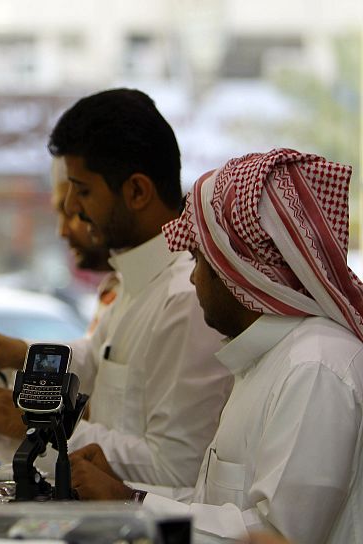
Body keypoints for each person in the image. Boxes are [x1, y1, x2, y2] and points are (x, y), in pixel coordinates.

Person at [70, 149, 363, 543]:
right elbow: (220, 510)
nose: (193, 280)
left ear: (240, 270)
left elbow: (276, 536)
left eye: (198, 260)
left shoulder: (315, 368)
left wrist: (132, 506)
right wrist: (127, 495)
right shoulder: (269, 360)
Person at [0, 89, 233, 489]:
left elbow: (177, 469)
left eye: (84, 190)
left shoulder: (185, 298)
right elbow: (99, 361)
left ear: (137, 192)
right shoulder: (136, 284)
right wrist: (24, 354)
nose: (74, 208)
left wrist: (38, 425)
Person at [50, 156, 119, 332]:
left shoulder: (176, 296)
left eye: (74, 212)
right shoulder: (116, 287)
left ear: (136, 192)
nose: (62, 231)